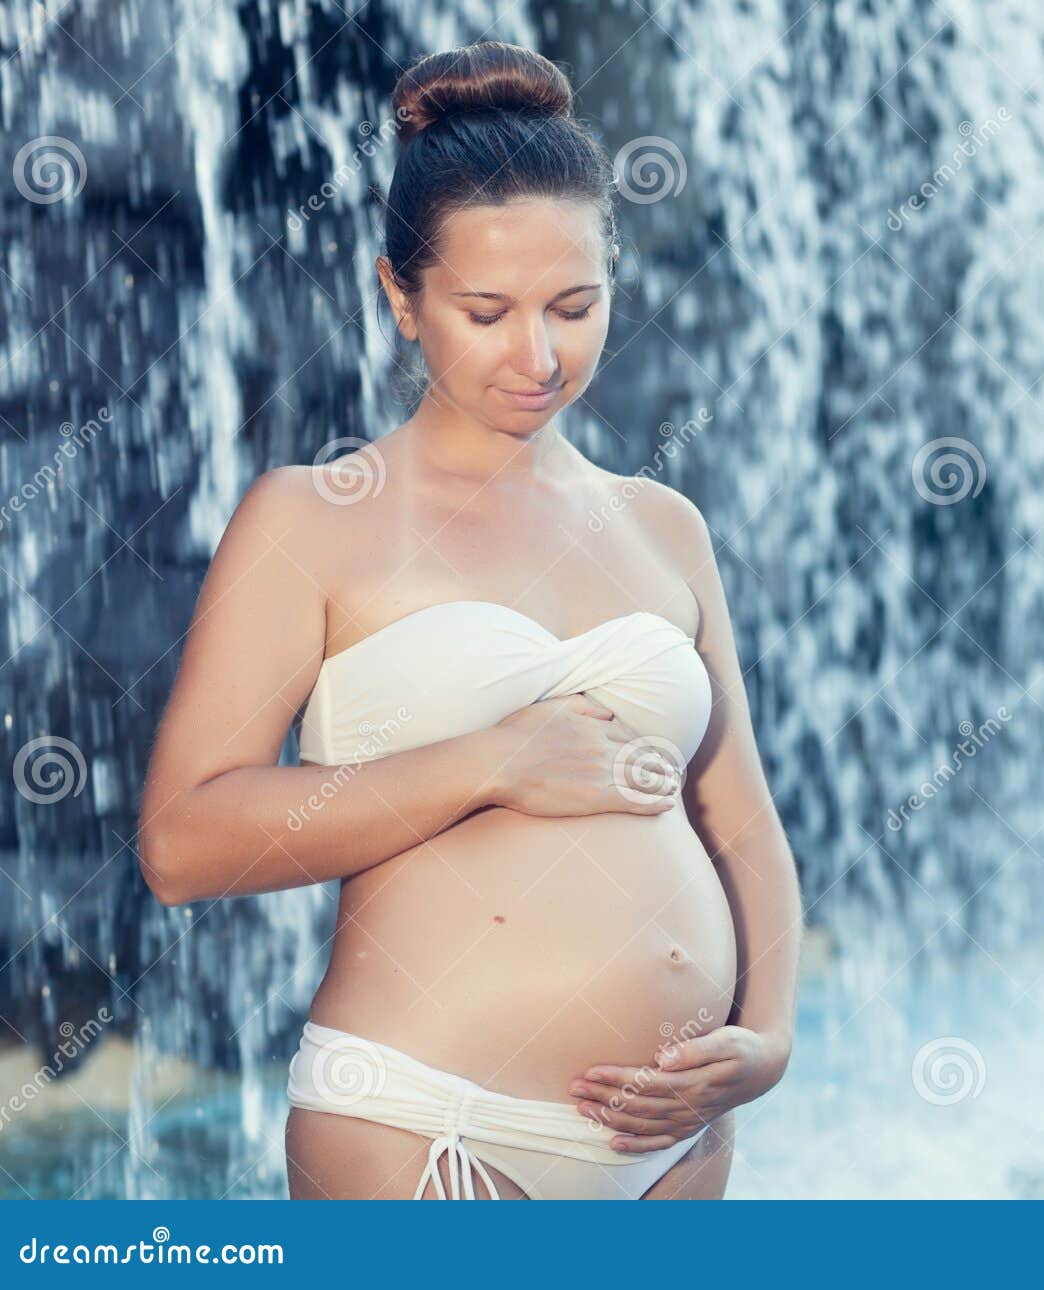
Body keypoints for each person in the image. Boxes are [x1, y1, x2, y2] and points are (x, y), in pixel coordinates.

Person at [136, 39, 802, 1200]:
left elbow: (737, 821)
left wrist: (770, 1040)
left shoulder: (664, 525)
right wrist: (491, 762)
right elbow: (182, 843)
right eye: (487, 312)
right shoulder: (314, 518)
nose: (538, 356)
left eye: (575, 305)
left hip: (680, 1146)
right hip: (428, 1130)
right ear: (399, 296)